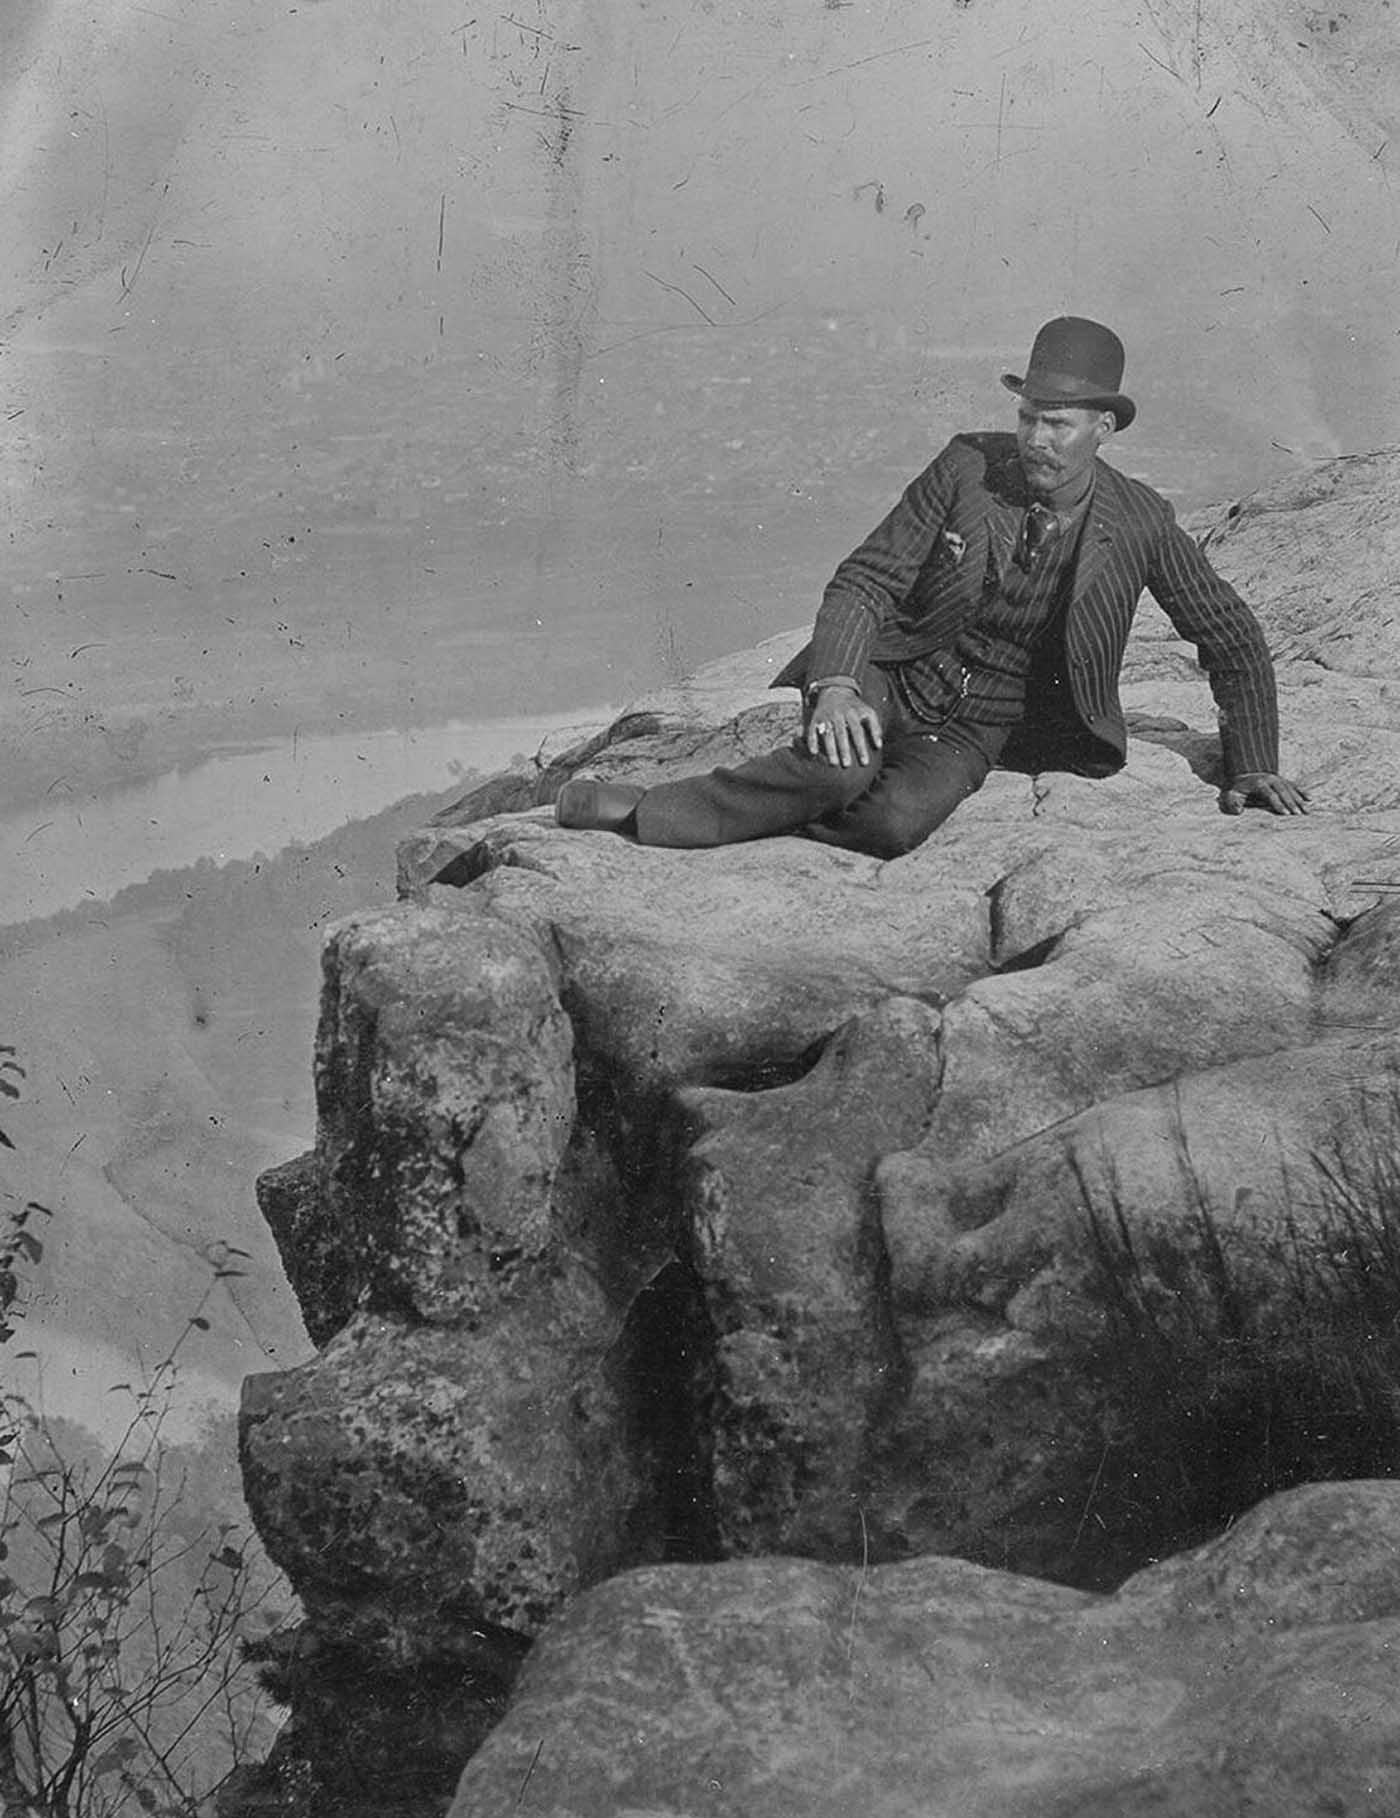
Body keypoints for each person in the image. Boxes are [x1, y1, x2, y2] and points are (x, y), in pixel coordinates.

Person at [555, 316, 1309, 857]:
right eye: (1027, 418)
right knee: (835, 764)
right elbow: (867, 578)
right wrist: (841, 685)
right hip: (898, 674)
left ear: (1104, 428)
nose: (1035, 439)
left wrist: (1252, 764)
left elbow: (1232, 637)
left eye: (1059, 424)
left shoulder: (1140, 521)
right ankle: (645, 812)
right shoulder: (965, 470)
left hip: (979, 730)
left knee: (892, 828)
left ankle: (766, 818)